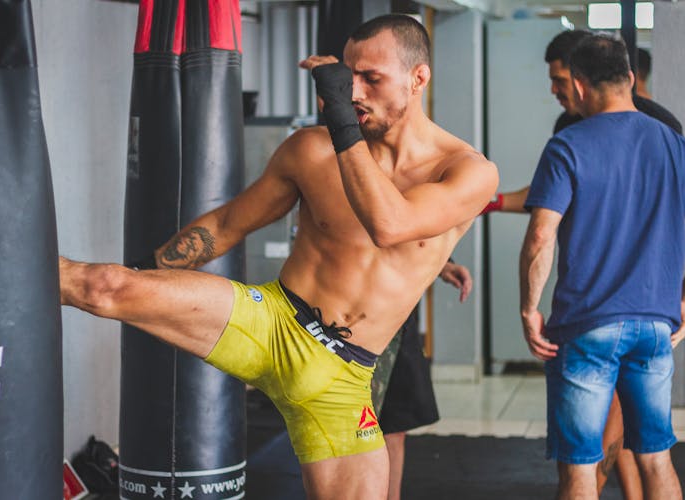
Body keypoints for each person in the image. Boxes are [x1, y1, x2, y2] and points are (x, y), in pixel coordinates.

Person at [59, 14, 498, 500]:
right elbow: (226, 226)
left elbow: (388, 225)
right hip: (271, 320)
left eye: (372, 79)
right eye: (347, 79)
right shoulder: (310, 151)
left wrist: (338, 115)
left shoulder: (467, 172)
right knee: (103, 287)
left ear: (419, 78)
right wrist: (144, 277)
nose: (355, 92)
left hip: (341, 378)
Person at [483, 29, 684, 499]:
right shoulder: (676, 145)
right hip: (656, 325)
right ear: (630, 78)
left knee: (580, 467)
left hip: (588, 327)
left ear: (577, 85)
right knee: (657, 459)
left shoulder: (568, 144)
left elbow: (540, 235)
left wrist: (528, 309)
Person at [483, 31, 682, 217]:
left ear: (581, 78)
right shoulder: (567, 126)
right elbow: (550, 193)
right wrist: (492, 201)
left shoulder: (662, 126)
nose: (553, 90)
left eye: (559, 81)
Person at [378, 260, 472, 500]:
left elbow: (411, 234)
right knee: (345, 432)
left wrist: (443, 264)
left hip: (396, 316)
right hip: (341, 318)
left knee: (393, 426)